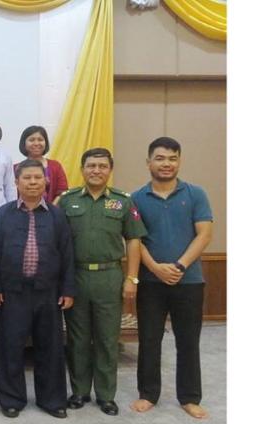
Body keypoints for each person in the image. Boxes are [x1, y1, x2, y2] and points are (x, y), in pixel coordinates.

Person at [57, 148, 147, 416]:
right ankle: (80, 391)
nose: (96, 170)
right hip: (76, 277)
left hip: (110, 277)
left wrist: (131, 278)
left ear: (110, 169)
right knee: (77, 338)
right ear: (82, 169)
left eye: (102, 166)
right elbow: (55, 241)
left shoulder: (123, 202)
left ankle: (106, 395)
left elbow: (134, 240)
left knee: (108, 339)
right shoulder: (66, 201)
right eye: (91, 165)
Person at [0, 159, 75, 419]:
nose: (32, 182)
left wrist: (68, 290)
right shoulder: (4, 213)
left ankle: (52, 399)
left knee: (51, 348)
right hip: (12, 293)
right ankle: (11, 399)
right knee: (10, 347)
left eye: (37, 178)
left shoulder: (57, 215)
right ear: (16, 182)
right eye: (27, 178)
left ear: (46, 181)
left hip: (48, 293)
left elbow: (68, 254)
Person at [130, 137, 213, 420]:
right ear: (149, 162)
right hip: (151, 282)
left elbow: (204, 234)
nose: (166, 164)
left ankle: (189, 397)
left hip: (189, 281)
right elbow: (134, 239)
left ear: (179, 161)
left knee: (188, 341)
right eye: (161, 158)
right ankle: (148, 393)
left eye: (172, 158)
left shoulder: (196, 194)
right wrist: (155, 268)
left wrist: (179, 265)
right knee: (149, 339)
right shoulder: (136, 198)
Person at [17, 125, 68, 203]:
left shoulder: (55, 166)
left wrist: (51, 210)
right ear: (24, 143)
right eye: (32, 140)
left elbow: (62, 192)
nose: (36, 143)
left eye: (40, 140)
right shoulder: (16, 168)